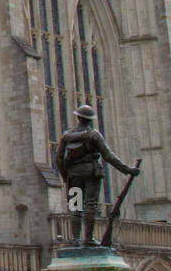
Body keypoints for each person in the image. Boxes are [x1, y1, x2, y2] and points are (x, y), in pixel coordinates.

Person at [53, 104, 139, 246]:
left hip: (73, 175)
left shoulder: (66, 136)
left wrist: (65, 176)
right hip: (91, 172)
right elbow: (108, 156)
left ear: (78, 117)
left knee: (75, 206)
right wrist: (127, 170)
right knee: (90, 204)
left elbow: (59, 158)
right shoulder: (94, 134)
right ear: (90, 120)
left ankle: (75, 239)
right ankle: (88, 238)